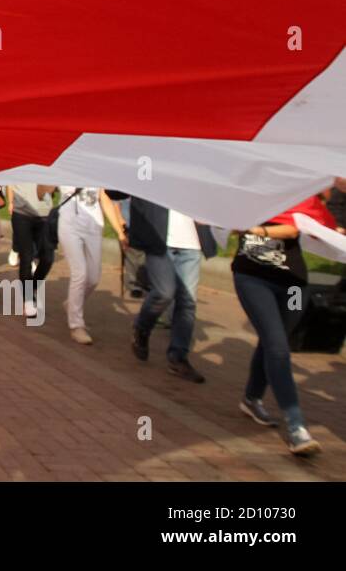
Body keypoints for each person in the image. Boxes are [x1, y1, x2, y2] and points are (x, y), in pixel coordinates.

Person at [231, 190, 343, 456]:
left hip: (293, 287)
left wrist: (257, 229)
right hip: (253, 278)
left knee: (276, 341)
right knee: (277, 346)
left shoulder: (302, 193)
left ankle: (251, 397)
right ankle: (296, 427)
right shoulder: (245, 190)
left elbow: (300, 228)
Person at [128, 199, 217, 382]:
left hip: (192, 242)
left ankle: (178, 357)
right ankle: (142, 327)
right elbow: (118, 190)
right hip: (158, 238)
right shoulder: (154, 169)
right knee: (165, 292)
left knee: (187, 302)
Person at [56, 186, 126, 345]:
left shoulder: (94, 167)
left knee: (93, 278)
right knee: (80, 273)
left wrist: (120, 233)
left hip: (94, 227)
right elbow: (41, 192)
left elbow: (104, 198)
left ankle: (71, 304)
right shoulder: (62, 168)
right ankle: (76, 325)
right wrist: (45, 185)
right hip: (69, 226)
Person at [7, 183, 56, 317]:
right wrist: (11, 202)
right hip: (21, 214)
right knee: (26, 257)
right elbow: (10, 183)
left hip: (44, 215)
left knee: (48, 258)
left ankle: (31, 287)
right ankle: (28, 300)